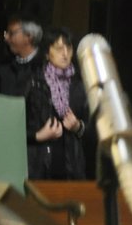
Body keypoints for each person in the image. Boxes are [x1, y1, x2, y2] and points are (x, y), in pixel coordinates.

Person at [26, 26, 90, 181]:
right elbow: (15, 128)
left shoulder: (80, 86)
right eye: (59, 48)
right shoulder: (34, 84)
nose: (65, 53)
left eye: (68, 47)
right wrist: (38, 136)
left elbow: (95, 130)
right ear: (47, 53)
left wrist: (78, 127)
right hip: (38, 168)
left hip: (71, 170)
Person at [0, 18, 42, 98]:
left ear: (29, 36)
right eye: (6, 33)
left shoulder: (44, 68)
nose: (6, 37)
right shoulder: (5, 67)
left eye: (11, 33)